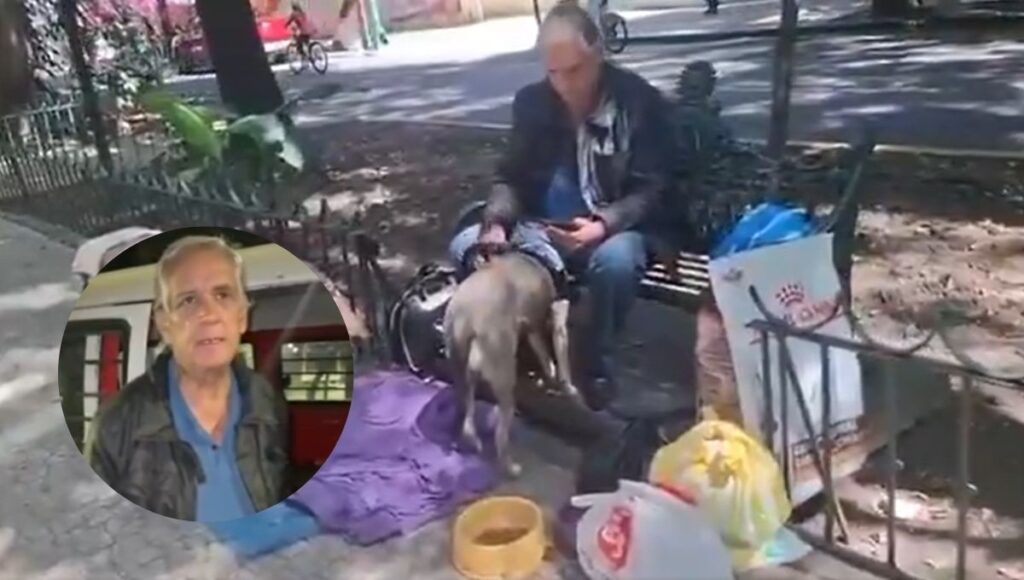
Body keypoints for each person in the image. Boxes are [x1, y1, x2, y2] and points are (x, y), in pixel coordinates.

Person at [448, 2, 679, 410]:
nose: (564, 85)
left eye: (575, 71)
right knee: (465, 243)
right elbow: (511, 176)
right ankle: (518, 345)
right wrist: (497, 223)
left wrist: (603, 224)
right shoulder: (533, 102)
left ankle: (594, 361)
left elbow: (652, 188)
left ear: (598, 54)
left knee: (616, 263)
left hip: (615, 225)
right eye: (553, 72)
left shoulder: (638, 103)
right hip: (543, 224)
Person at [85, 236, 290, 522]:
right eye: (188, 300)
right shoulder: (117, 422)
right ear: (164, 323)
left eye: (223, 295)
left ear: (242, 316)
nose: (208, 314)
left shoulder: (264, 399)